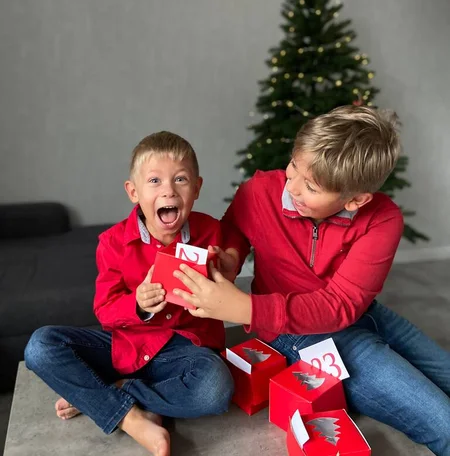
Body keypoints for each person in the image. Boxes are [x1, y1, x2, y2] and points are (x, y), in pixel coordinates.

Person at [173, 106, 450, 456]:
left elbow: (341, 305)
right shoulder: (259, 191)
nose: (292, 187)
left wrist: (246, 308)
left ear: (355, 200)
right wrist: (226, 260)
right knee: (443, 422)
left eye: (312, 187)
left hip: (361, 313)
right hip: (300, 334)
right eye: (293, 166)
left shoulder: (383, 218)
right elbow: (232, 239)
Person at [25, 131, 239, 456]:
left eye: (180, 179)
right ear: (133, 191)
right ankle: (130, 418)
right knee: (41, 346)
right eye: (154, 181)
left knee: (216, 388)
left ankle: (108, 395)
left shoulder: (210, 231)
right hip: (126, 346)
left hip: (184, 352)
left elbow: (232, 258)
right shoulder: (112, 243)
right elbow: (104, 309)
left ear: (196, 188)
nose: (168, 189)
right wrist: (138, 305)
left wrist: (227, 265)